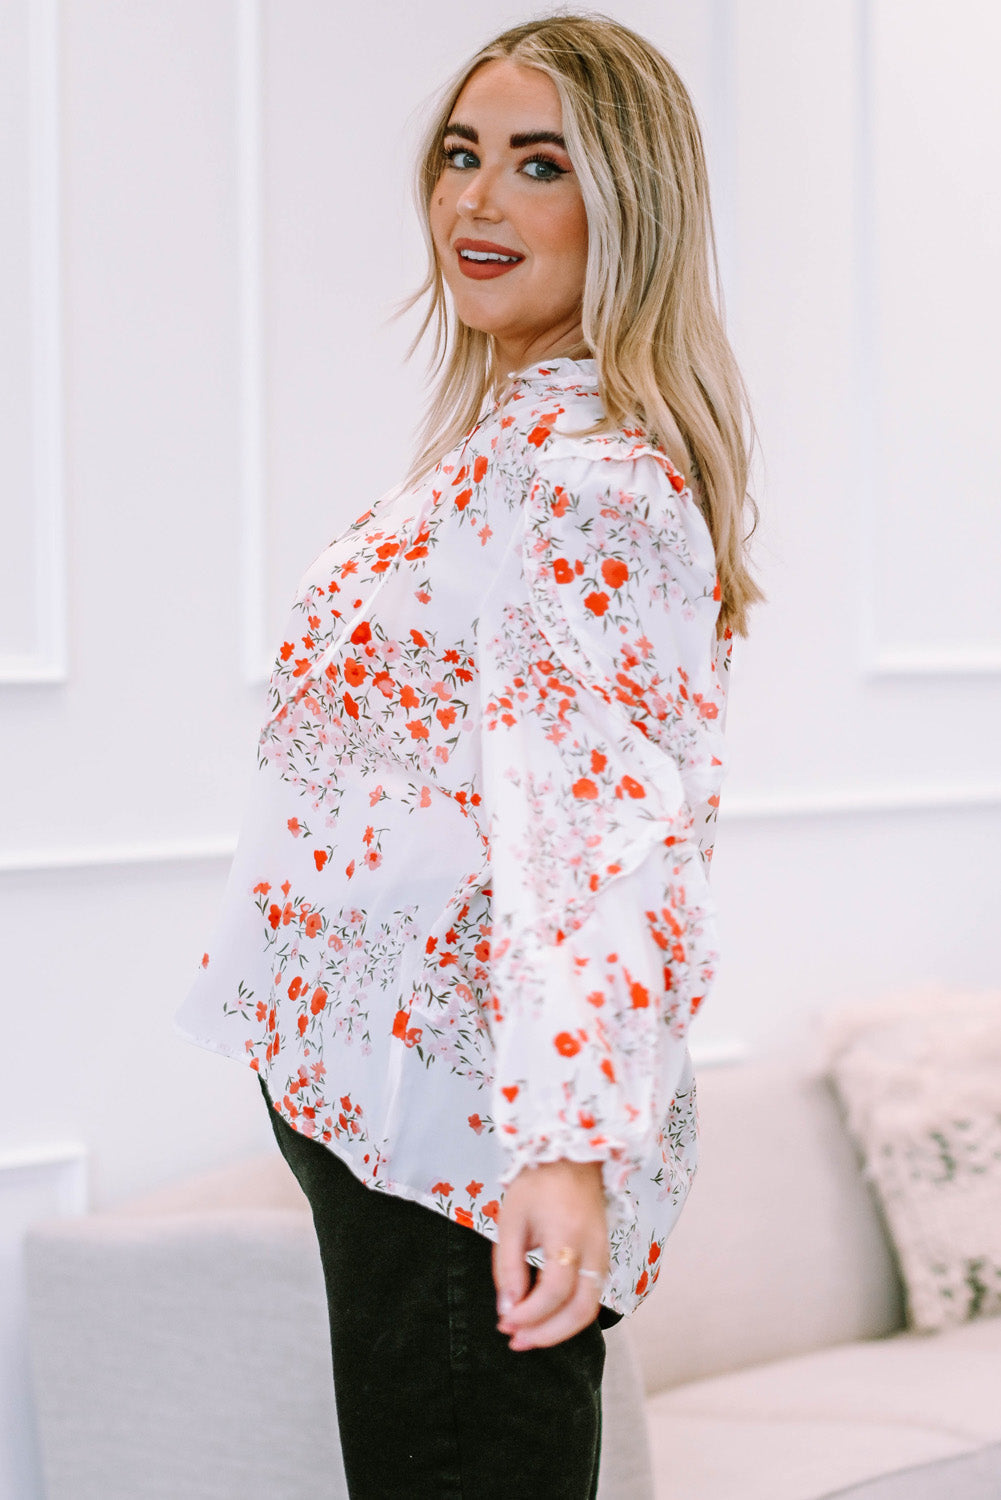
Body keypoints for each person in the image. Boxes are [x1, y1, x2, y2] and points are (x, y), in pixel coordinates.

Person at [175, 13, 761, 1498]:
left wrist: (562, 1150)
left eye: (536, 165)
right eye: (458, 157)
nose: (475, 204)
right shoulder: (496, 450)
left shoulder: (599, 483)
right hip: (382, 1114)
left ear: (624, 206)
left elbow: (595, 828)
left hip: (473, 1141)